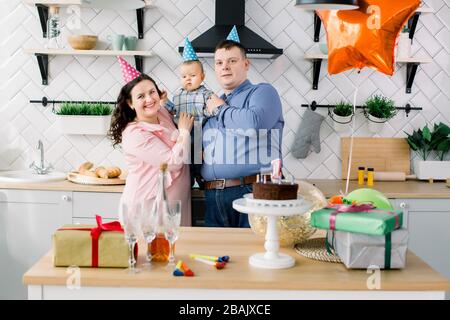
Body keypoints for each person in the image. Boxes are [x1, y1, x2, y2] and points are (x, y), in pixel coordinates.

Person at [202, 39, 284, 228]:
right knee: (216, 256)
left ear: (246, 64)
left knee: (254, 254)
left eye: (232, 61)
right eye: (219, 63)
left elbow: (254, 124)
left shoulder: (262, 92)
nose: (225, 67)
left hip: (252, 192)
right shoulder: (213, 104)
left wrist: (220, 110)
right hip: (213, 196)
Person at [109, 58, 194, 226]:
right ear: (130, 103)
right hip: (147, 207)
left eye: (152, 92)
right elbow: (172, 163)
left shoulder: (161, 113)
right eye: (141, 96)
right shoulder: (135, 134)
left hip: (175, 204)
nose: (149, 99)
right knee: (149, 250)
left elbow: (167, 107)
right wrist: (184, 131)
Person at [163, 38, 216, 189]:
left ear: (202, 77)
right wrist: (165, 100)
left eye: (192, 76)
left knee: (198, 160)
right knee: (185, 161)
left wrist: (210, 110)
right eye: (184, 76)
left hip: (199, 132)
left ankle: (201, 180)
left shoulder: (206, 93)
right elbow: (174, 110)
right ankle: (187, 181)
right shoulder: (178, 95)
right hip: (182, 133)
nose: (188, 79)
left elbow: (211, 111)